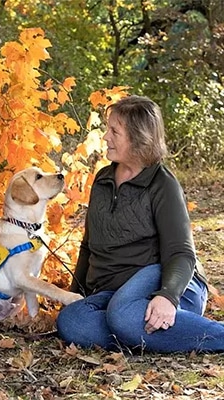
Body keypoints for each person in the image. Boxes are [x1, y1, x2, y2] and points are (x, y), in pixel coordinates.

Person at [56, 95, 224, 353]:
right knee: (72, 322)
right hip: (114, 292)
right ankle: (143, 333)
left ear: (138, 137)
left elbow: (181, 252)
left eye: (114, 131)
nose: (105, 137)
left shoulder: (162, 184)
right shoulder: (103, 180)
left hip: (165, 282)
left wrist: (167, 296)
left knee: (122, 315)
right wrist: (74, 294)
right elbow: (89, 246)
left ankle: (195, 331)